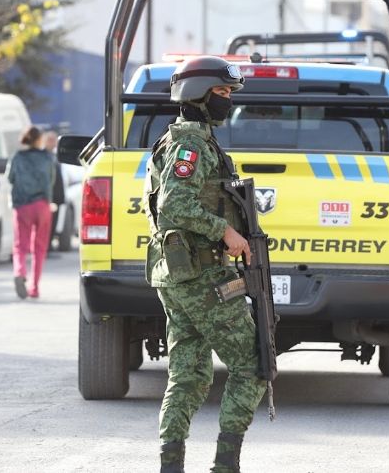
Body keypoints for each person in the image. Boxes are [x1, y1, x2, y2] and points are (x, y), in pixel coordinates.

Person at [143, 56, 265, 473]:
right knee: (254, 364)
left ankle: (171, 465)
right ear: (198, 94)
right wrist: (225, 232)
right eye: (223, 93)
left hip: (179, 274)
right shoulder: (191, 144)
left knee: (190, 376)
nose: (228, 101)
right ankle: (225, 465)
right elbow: (175, 205)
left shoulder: (178, 141)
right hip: (202, 272)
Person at [7, 126, 55, 299]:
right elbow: (51, 180)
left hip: (22, 205)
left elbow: (10, 178)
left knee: (20, 245)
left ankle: (20, 272)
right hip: (42, 205)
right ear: (38, 139)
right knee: (39, 247)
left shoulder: (17, 157)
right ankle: (34, 287)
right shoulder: (47, 158)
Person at [43, 130, 65, 254]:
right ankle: (46, 247)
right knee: (48, 224)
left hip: (56, 197)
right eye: (51, 141)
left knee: (53, 223)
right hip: (49, 197)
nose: (53, 144)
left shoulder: (53, 156)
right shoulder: (44, 157)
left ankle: (49, 246)